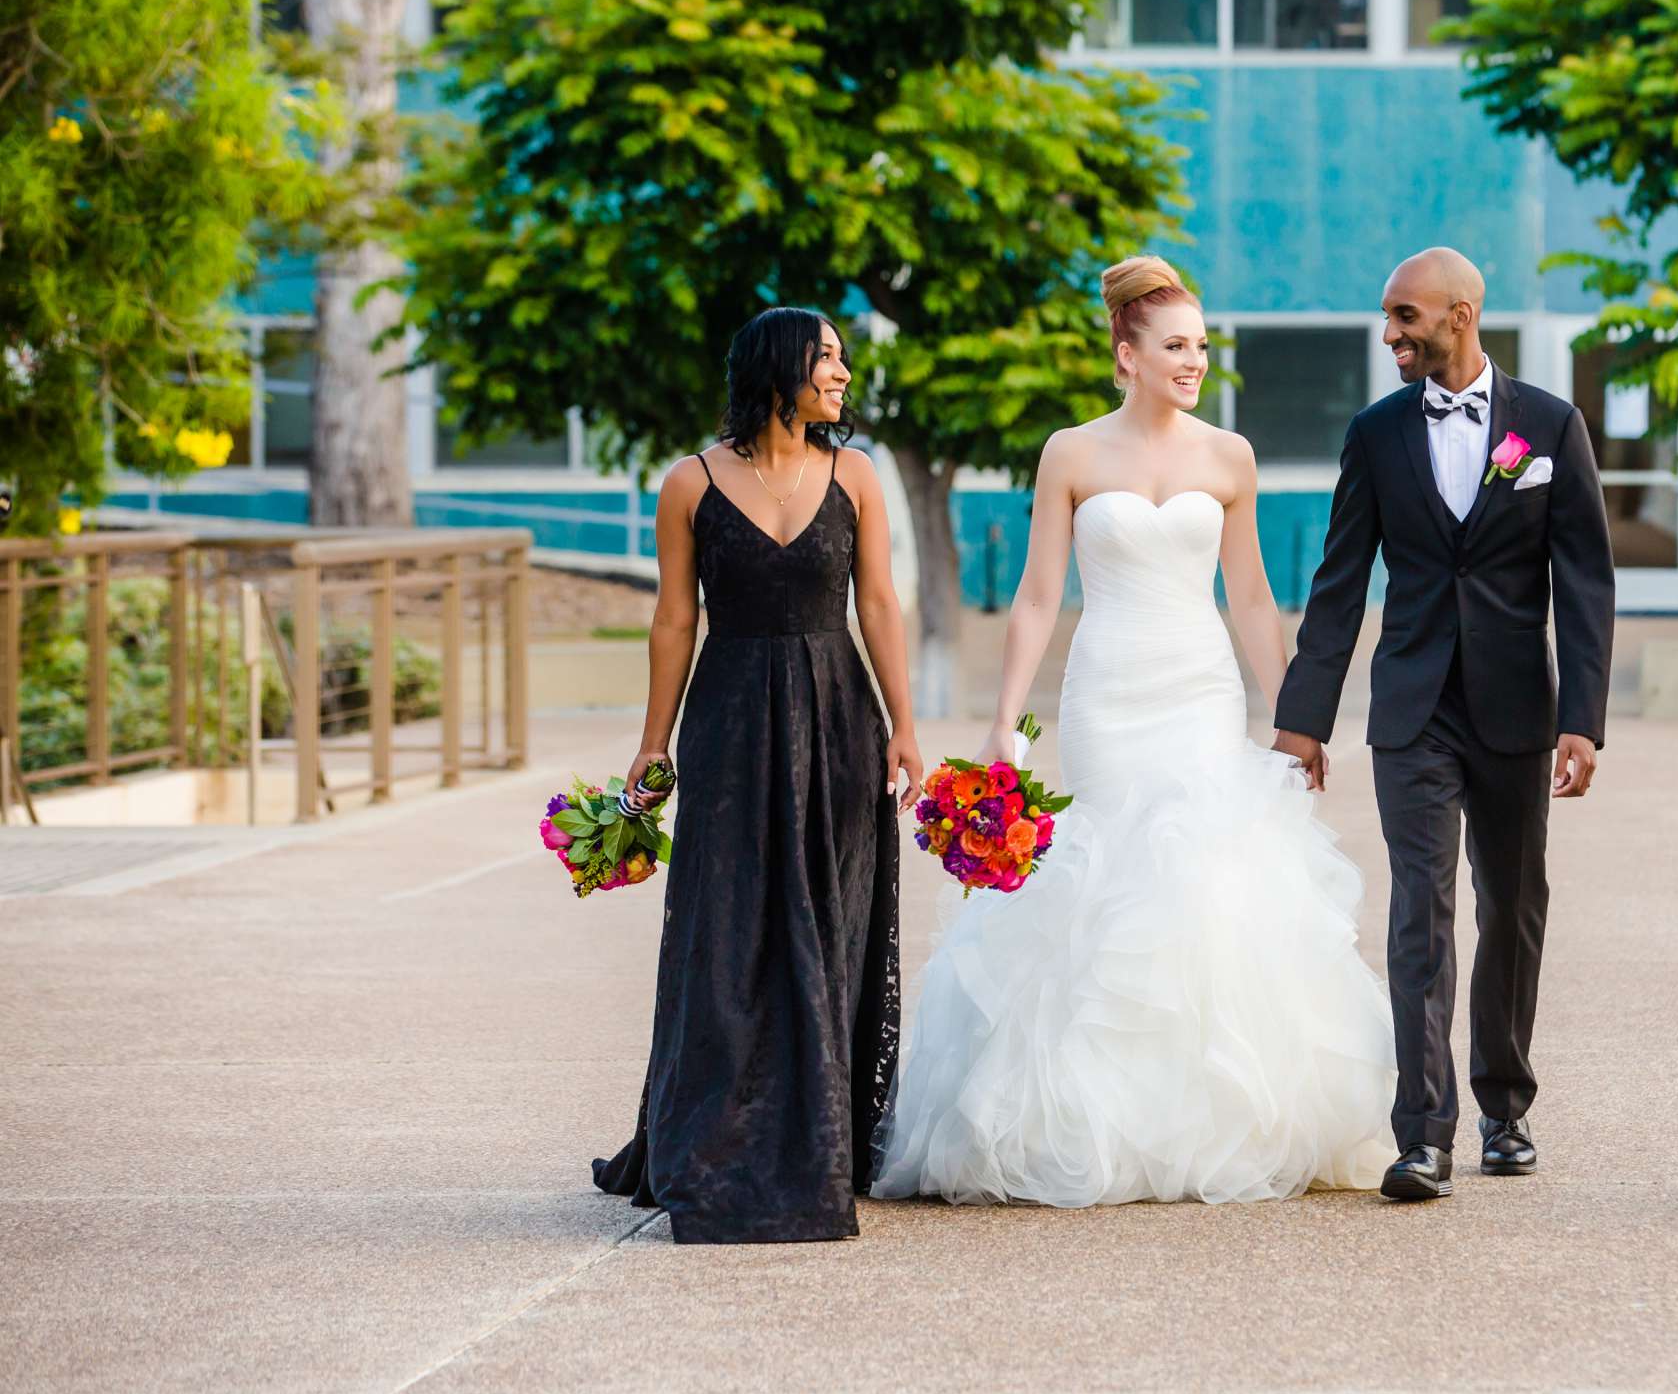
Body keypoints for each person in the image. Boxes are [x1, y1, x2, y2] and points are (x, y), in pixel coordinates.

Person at [871, 256, 1395, 1207]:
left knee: (1202, 873)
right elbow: (1037, 595)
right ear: (1128, 354)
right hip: (1106, 692)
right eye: (1176, 347)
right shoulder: (1070, 453)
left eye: (1200, 346)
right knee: (1106, 880)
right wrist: (1002, 721)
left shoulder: (1228, 456)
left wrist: (1295, 720)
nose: (1194, 362)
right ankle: (1084, 1119)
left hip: (1199, 690)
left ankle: (1207, 1119)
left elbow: (1250, 599)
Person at [1274, 247, 1616, 1202]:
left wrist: (1581, 719)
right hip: (1413, 711)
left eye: (1405, 317)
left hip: (1517, 708)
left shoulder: (1551, 424)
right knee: (1420, 911)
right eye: (1388, 318)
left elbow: (1584, 580)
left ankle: (1505, 1107)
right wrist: (1305, 719)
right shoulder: (1376, 434)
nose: (1391, 334)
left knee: (1513, 904)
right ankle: (1421, 1134)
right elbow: (1340, 584)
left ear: (1461, 316)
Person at [594, 306, 924, 1242]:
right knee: (727, 928)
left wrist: (905, 726)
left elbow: (882, 605)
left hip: (837, 715)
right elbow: (673, 621)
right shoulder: (687, 482)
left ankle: (823, 1139)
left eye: (843, 360)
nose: (843, 373)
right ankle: (716, 1138)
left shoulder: (855, 475)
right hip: (731, 719)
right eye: (827, 358)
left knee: (832, 921)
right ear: (780, 368)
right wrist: (652, 745)